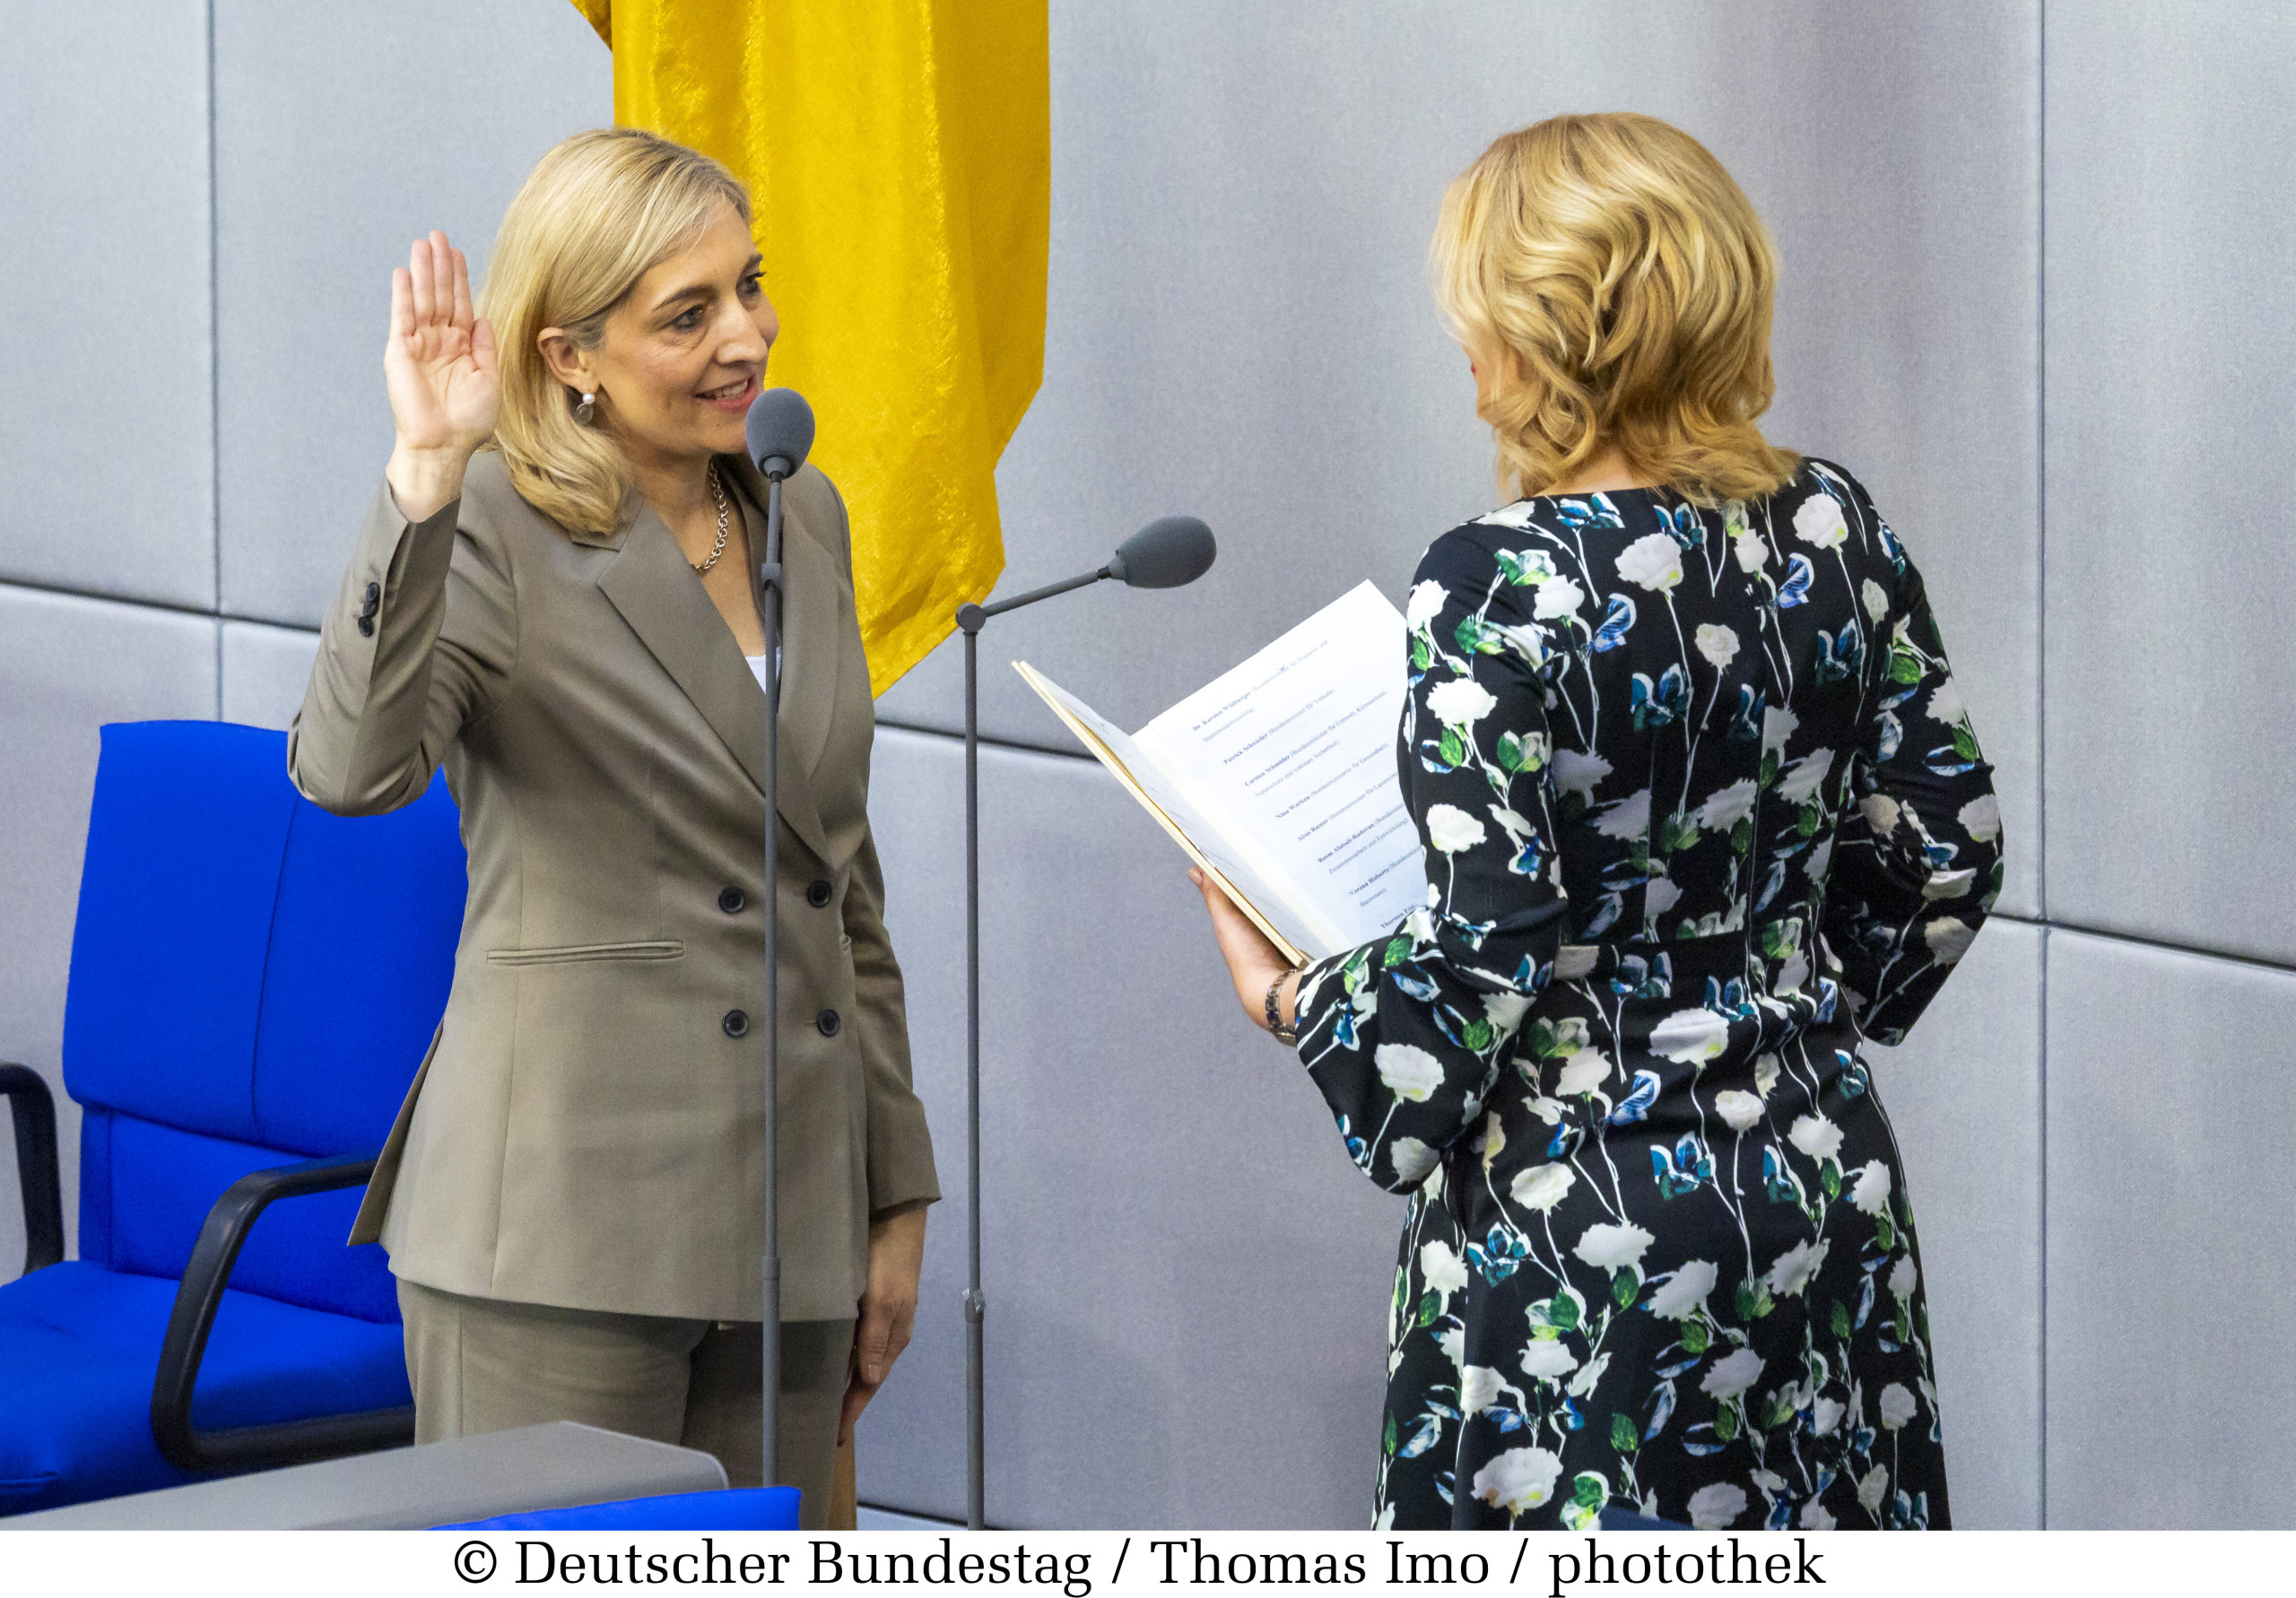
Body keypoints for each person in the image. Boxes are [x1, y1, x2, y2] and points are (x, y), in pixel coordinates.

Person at [1191, 113, 1998, 1532]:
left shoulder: (1492, 583)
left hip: (1581, 1220)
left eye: (1478, 316)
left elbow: (1488, 948)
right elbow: (1948, 844)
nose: (1463, 351)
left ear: (1549, 330)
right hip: (1820, 1187)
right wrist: (1797, 1005)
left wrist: (1291, 995)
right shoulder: (1834, 527)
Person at [289, 128, 939, 1529]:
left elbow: (843, 888)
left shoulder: (798, 508)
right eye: (687, 314)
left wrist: (895, 1190)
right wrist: (417, 480)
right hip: (561, 1235)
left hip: (791, 1219)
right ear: (569, 353)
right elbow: (348, 770)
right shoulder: (489, 525)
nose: (747, 337)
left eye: (748, 288)